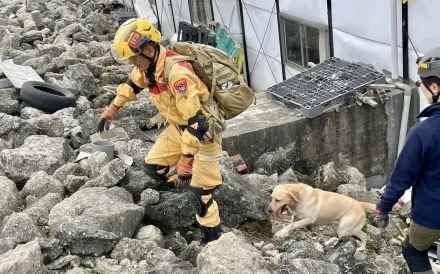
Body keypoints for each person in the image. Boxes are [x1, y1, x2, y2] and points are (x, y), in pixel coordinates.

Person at [97, 18, 223, 245]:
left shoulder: (176, 73)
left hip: (203, 136)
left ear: (147, 49)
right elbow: (133, 84)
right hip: (178, 129)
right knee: (153, 167)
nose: (132, 63)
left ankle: (212, 239)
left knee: (201, 197)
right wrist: (112, 108)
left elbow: (198, 123)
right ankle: (191, 179)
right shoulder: (150, 67)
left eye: (133, 58)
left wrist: (186, 159)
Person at [375, 47, 440, 274]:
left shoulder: (424, 132)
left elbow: (402, 177)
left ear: (435, 87)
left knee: (412, 250)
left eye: (420, 83)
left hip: (432, 215)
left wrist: (383, 207)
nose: (419, 88)